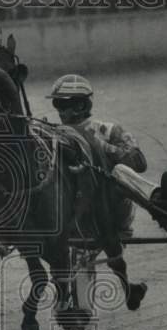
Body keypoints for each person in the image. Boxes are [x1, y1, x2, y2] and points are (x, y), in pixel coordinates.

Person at [47, 74, 149, 238]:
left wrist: (97, 145)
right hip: (76, 212)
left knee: (119, 171)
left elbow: (139, 163)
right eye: (56, 104)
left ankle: (157, 198)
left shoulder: (109, 130)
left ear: (80, 105)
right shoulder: (56, 135)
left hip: (112, 207)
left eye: (63, 104)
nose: (59, 110)